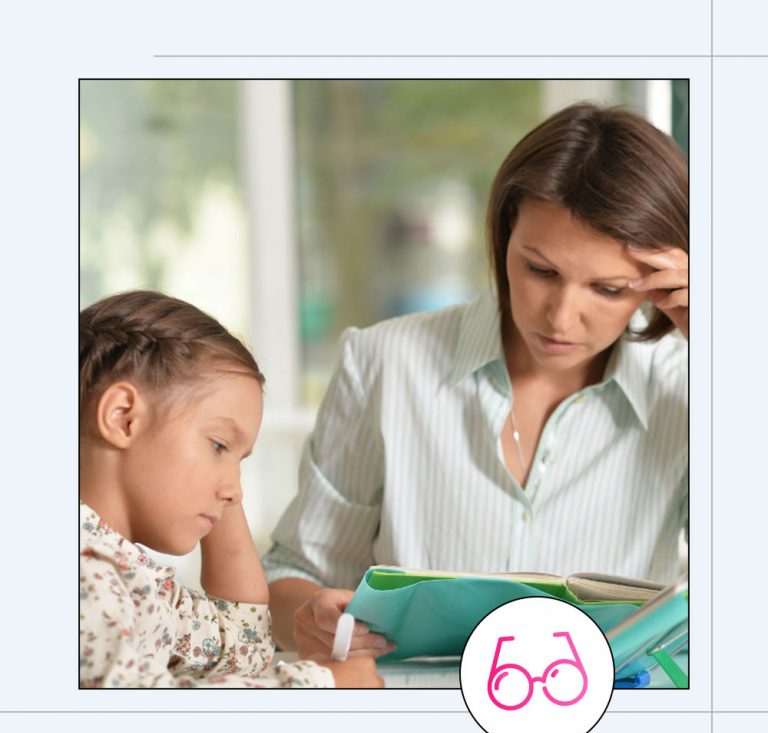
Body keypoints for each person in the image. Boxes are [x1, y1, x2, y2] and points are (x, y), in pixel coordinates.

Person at [262, 102, 689, 660]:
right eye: (540, 270)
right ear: (505, 230)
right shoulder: (383, 364)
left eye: (608, 289)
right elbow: (293, 578)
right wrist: (310, 621)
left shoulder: (691, 392)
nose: (561, 317)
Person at [79, 290, 382, 688]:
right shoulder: (85, 576)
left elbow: (244, 645)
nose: (236, 491)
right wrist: (320, 686)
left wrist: (223, 467)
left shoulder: (126, 575)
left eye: (241, 460)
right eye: (218, 445)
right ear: (122, 418)